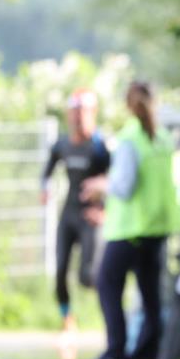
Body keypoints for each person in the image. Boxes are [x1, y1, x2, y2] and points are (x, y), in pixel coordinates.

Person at [83, 80, 180, 359]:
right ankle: (148, 351)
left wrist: (102, 184)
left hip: (130, 228)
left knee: (107, 283)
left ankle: (116, 351)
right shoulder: (163, 138)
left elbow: (124, 186)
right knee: (150, 291)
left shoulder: (130, 138)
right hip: (157, 227)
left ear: (128, 105)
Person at [41, 88, 110, 341]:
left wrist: (104, 209)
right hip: (68, 215)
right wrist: (44, 189)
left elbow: (117, 181)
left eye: (84, 112)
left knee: (88, 277)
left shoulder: (100, 147)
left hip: (89, 218)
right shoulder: (62, 145)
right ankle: (67, 318)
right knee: (59, 271)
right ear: (69, 115)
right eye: (75, 112)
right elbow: (47, 172)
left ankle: (110, 317)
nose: (79, 117)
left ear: (92, 113)